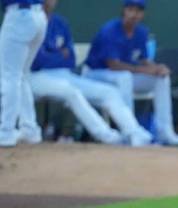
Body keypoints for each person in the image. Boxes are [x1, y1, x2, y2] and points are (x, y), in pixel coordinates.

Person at [30, 0, 153, 146]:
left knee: (109, 92)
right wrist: (58, 55)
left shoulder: (60, 23)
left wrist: (52, 56)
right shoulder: (28, 21)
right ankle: (109, 137)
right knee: (71, 92)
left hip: (64, 74)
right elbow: (36, 61)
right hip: (34, 76)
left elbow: (71, 59)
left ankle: (134, 133)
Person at [83, 0, 178, 146]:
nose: (134, 14)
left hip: (123, 75)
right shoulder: (110, 30)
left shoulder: (141, 32)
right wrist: (146, 70)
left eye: (138, 11)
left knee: (161, 79)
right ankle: (131, 131)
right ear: (124, 11)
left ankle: (165, 132)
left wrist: (157, 68)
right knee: (125, 77)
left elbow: (143, 60)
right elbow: (113, 65)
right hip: (95, 74)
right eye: (130, 9)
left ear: (143, 14)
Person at [0, 0, 47, 147]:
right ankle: (30, 130)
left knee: (10, 77)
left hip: (19, 16)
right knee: (21, 76)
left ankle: (6, 132)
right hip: (39, 16)